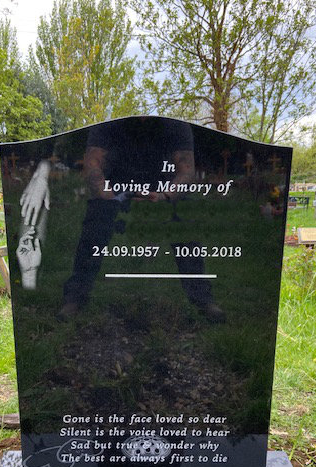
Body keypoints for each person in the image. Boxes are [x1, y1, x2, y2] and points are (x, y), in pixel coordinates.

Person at [17, 117, 225, 322]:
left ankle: (203, 299)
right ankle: (75, 298)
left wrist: (166, 195)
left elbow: (186, 171)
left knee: (184, 219)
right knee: (95, 222)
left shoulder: (175, 124)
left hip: (162, 187)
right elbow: (93, 163)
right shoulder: (110, 122)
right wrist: (106, 192)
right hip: (116, 187)